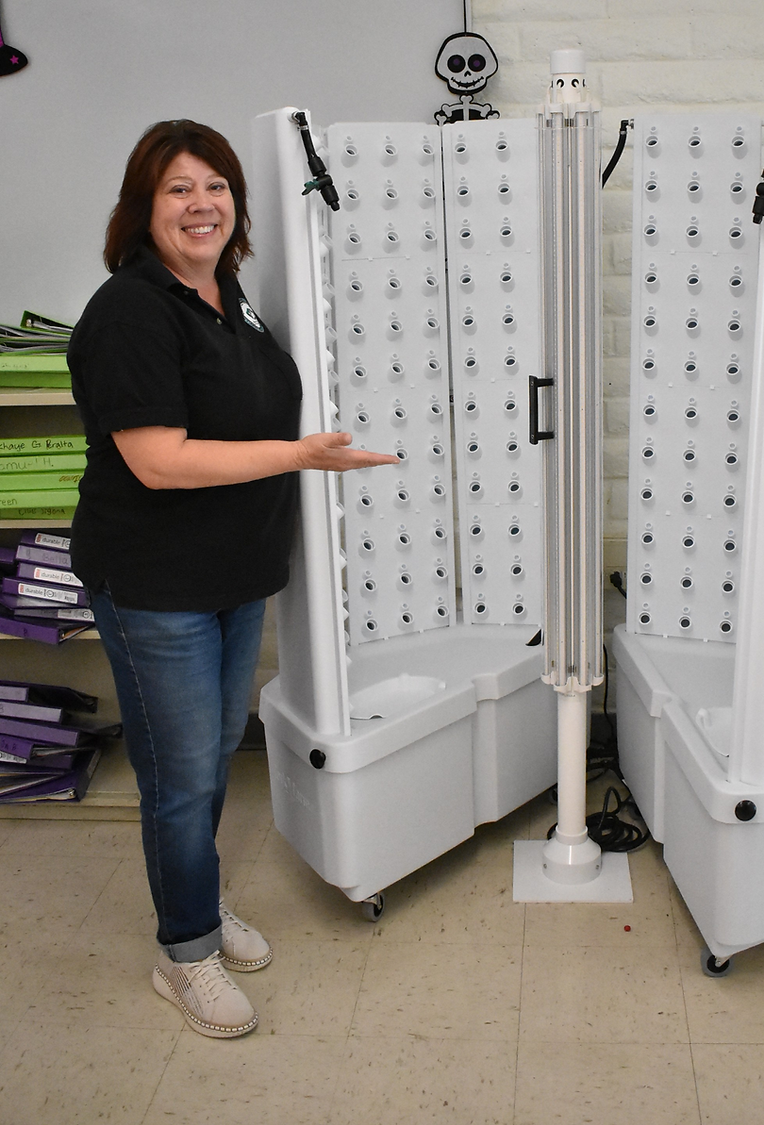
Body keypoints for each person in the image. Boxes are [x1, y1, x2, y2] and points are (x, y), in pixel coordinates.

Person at [67, 119, 398, 1039]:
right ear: (143, 207)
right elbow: (159, 460)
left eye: (216, 185)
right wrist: (299, 456)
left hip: (231, 575)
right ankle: (185, 952)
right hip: (154, 586)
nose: (202, 203)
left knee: (209, 757)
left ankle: (198, 906)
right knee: (179, 777)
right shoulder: (132, 309)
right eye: (178, 189)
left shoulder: (229, 297)